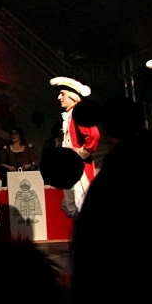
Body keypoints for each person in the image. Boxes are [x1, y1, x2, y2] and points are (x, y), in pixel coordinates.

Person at [50, 77, 99, 217]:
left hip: (80, 169)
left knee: (83, 206)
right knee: (73, 208)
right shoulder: (71, 114)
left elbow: (94, 136)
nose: (59, 97)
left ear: (72, 96)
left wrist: (81, 153)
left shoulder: (79, 113)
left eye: (62, 94)